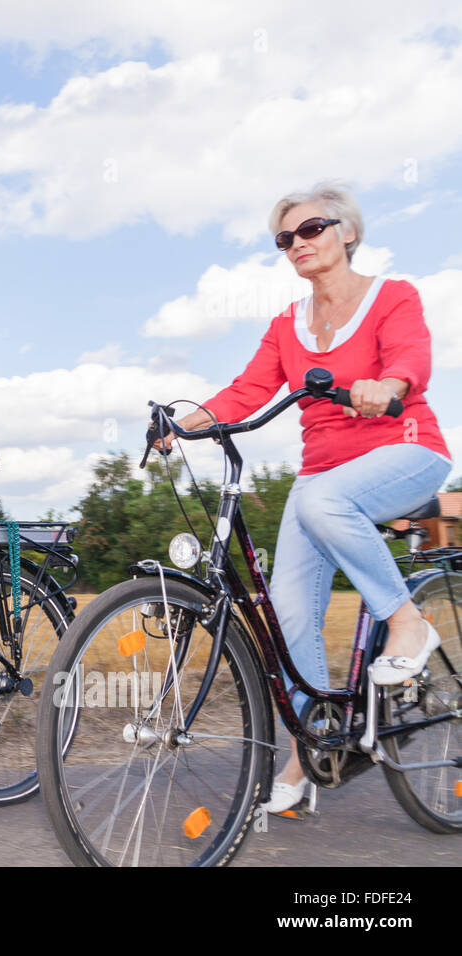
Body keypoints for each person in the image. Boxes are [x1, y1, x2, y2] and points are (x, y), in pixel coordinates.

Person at [158, 181, 452, 813]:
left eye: (312, 229)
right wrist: (186, 421)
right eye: (285, 238)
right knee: (289, 623)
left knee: (322, 502)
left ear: (346, 231)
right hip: (323, 478)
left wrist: (388, 384)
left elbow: (411, 358)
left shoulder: (392, 297)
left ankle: (408, 624)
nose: (298, 244)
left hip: (405, 452)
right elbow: (247, 391)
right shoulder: (286, 326)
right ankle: (312, 753)